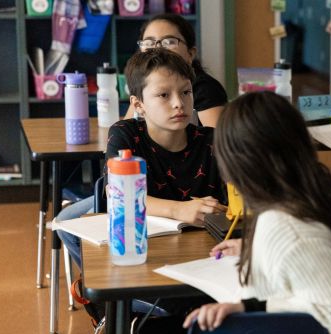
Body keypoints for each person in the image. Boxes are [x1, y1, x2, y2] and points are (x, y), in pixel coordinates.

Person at [182, 91, 331, 334]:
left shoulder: (286, 226)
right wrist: (257, 248)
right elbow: (319, 252)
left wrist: (249, 307)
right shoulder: (318, 185)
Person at [56, 48, 227, 268]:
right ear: (138, 105)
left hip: (204, 255)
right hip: (142, 250)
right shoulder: (125, 134)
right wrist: (179, 209)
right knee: (67, 224)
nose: (179, 103)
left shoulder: (212, 140)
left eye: (186, 92)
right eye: (164, 95)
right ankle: (97, 298)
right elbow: (117, 195)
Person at [125, 13, 228, 127]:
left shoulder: (205, 88)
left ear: (190, 53)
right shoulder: (143, 84)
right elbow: (126, 129)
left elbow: (220, 141)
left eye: (169, 42)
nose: (157, 49)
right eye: (149, 43)